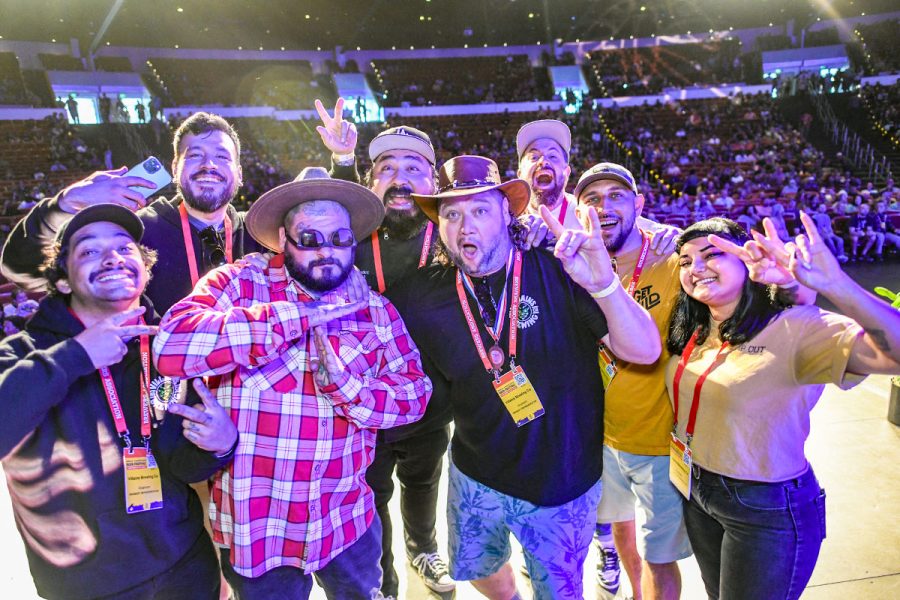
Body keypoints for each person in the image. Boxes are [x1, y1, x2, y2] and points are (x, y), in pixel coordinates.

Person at [388, 155, 661, 600]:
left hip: (564, 480)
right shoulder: (421, 295)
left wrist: (605, 284)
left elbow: (644, 350)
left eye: (479, 210)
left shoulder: (558, 267)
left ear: (507, 213)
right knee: (476, 570)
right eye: (452, 214)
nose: (465, 226)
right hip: (475, 475)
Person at [153, 167, 432, 599]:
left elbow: (416, 394)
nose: (327, 252)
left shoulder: (374, 308)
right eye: (310, 239)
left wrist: (347, 388)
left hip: (346, 521)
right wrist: (296, 318)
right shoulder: (240, 283)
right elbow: (171, 345)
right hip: (260, 528)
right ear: (284, 240)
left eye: (339, 239)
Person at [0, 203, 238, 599]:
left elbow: (181, 462)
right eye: (90, 250)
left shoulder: (163, 350)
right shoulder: (23, 353)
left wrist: (220, 444)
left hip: (186, 566)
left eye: (125, 248)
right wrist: (77, 355)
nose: (112, 257)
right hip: (87, 587)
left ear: (144, 271)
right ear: (62, 282)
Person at [667, 214, 900, 600]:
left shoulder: (797, 327)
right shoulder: (694, 327)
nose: (697, 268)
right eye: (686, 260)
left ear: (747, 262)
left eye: (711, 255)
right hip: (698, 491)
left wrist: (833, 283)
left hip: (765, 509)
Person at [315, 98, 455, 596]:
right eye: (386, 168)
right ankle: (386, 580)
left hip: (432, 404)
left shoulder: (450, 236)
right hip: (360, 410)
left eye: (413, 168)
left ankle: (425, 551)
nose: (398, 178)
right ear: (370, 181)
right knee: (369, 500)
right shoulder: (344, 238)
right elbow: (332, 202)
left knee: (422, 485)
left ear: (434, 182)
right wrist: (341, 162)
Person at [1, 111, 265, 314]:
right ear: (175, 168)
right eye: (195, 155)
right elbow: (22, 270)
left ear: (240, 174)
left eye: (222, 157)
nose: (209, 165)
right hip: (161, 384)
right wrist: (67, 203)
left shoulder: (261, 234)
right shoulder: (133, 232)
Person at [573, 163, 693, 600]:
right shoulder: (574, 263)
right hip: (602, 440)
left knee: (660, 558)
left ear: (639, 205)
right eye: (592, 199)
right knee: (620, 529)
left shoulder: (672, 256)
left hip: (658, 443)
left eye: (617, 196)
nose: (604, 207)